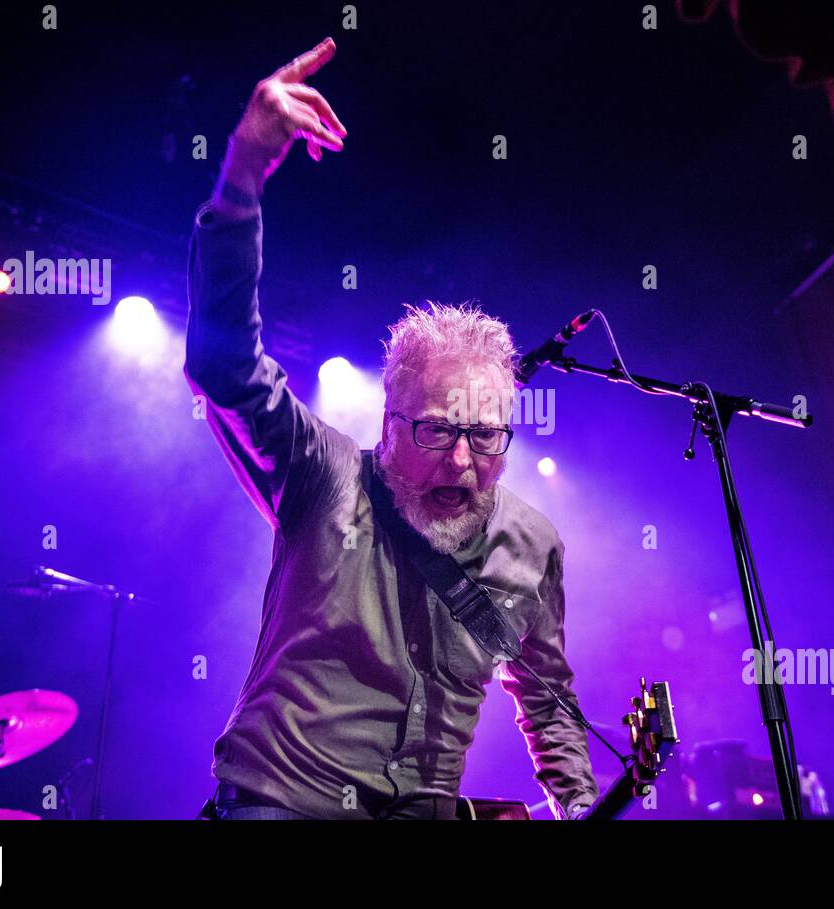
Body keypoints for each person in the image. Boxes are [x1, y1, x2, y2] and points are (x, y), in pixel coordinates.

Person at [187, 37, 598, 820]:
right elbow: (226, 367)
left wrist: (579, 807)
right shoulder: (325, 475)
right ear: (388, 423)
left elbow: (547, 703)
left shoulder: (532, 546)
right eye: (441, 430)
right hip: (283, 802)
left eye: (487, 436)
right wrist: (241, 178)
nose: (466, 460)